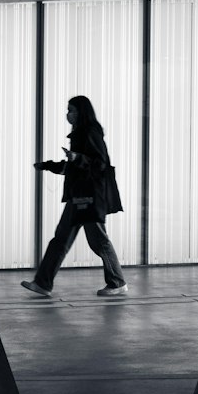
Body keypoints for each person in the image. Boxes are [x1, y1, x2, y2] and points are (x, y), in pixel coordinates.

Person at [22, 95, 128, 298]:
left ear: (81, 112)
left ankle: (117, 282)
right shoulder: (79, 134)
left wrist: (78, 157)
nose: (67, 114)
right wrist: (48, 166)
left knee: (98, 241)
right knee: (61, 240)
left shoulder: (90, 132)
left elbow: (100, 163)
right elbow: (74, 167)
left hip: (89, 197)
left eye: (71, 110)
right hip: (78, 196)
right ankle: (43, 283)